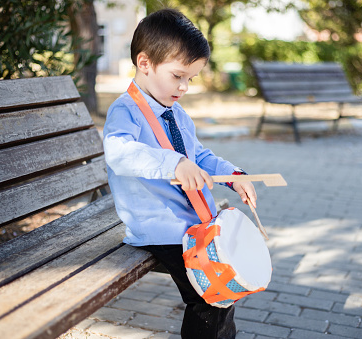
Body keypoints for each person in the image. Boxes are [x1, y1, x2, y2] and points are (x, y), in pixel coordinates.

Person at [103, 8, 256, 339]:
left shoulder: (177, 113)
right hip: (160, 225)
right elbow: (119, 153)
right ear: (145, 63)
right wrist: (173, 163)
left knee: (226, 286)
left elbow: (198, 155)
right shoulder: (124, 111)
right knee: (213, 292)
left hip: (189, 222)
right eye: (178, 76)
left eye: (191, 79)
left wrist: (233, 174)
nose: (184, 86)